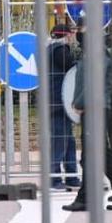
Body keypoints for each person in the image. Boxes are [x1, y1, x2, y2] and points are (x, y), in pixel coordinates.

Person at [64, 30, 112, 213]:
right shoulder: (100, 56)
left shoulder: (96, 58)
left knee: (100, 155)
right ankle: (89, 196)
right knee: (92, 156)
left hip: (95, 109)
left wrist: (79, 103)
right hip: (98, 109)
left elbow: (93, 83)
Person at [46, 16, 80, 192]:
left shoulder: (50, 49)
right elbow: (71, 65)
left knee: (68, 140)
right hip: (58, 103)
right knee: (60, 140)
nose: (72, 38)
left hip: (56, 102)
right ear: (66, 36)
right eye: (71, 35)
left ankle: (72, 176)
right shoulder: (60, 50)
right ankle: (53, 179)